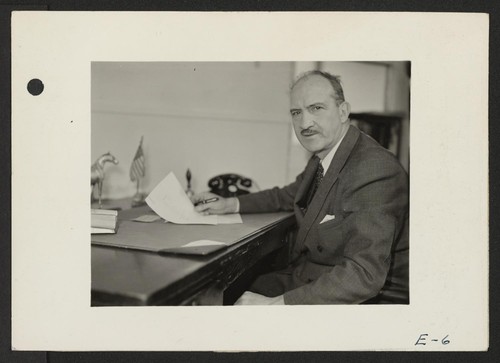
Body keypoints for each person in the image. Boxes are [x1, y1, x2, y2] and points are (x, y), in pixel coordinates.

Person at [191, 70, 409, 305]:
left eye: (316, 108)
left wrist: (278, 305)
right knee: (227, 291)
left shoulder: (374, 167)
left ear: (343, 111)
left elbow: (364, 275)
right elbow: (288, 195)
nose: (305, 123)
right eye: (297, 112)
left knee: (224, 298)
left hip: (368, 299)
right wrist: (230, 203)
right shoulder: (324, 157)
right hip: (314, 274)